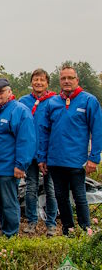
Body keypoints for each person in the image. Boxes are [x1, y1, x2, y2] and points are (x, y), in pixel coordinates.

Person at [37, 65, 102, 235]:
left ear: (77, 80)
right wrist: (42, 157)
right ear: (59, 81)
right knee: (61, 196)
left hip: (77, 160)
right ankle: (68, 228)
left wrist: (94, 158)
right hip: (55, 159)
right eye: (63, 78)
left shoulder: (88, 101)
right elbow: (44, 131)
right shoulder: (52, 102)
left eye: (70, 78)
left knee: (80, 196)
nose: (66, 81)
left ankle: (86, 227)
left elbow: (97, 131)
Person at [0, 78, 35, 237]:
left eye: (0, 91)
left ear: (9, 92)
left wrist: (21, 165)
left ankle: (11, 233)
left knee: (8, 202)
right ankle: (5, 227)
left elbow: (26, 140)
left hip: (8, 168)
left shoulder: (19, 110)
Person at [18, 68, 58, 235]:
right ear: (31, 82)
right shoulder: (23, 102)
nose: (38, 83)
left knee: (50, 188)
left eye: (42, 80)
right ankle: (32, 221)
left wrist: (48, 154)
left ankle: (51, 223)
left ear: (47, 83)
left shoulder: (54, 101)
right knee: (31, 187)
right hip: (30, 152)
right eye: (35, 79)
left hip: (48, 153)